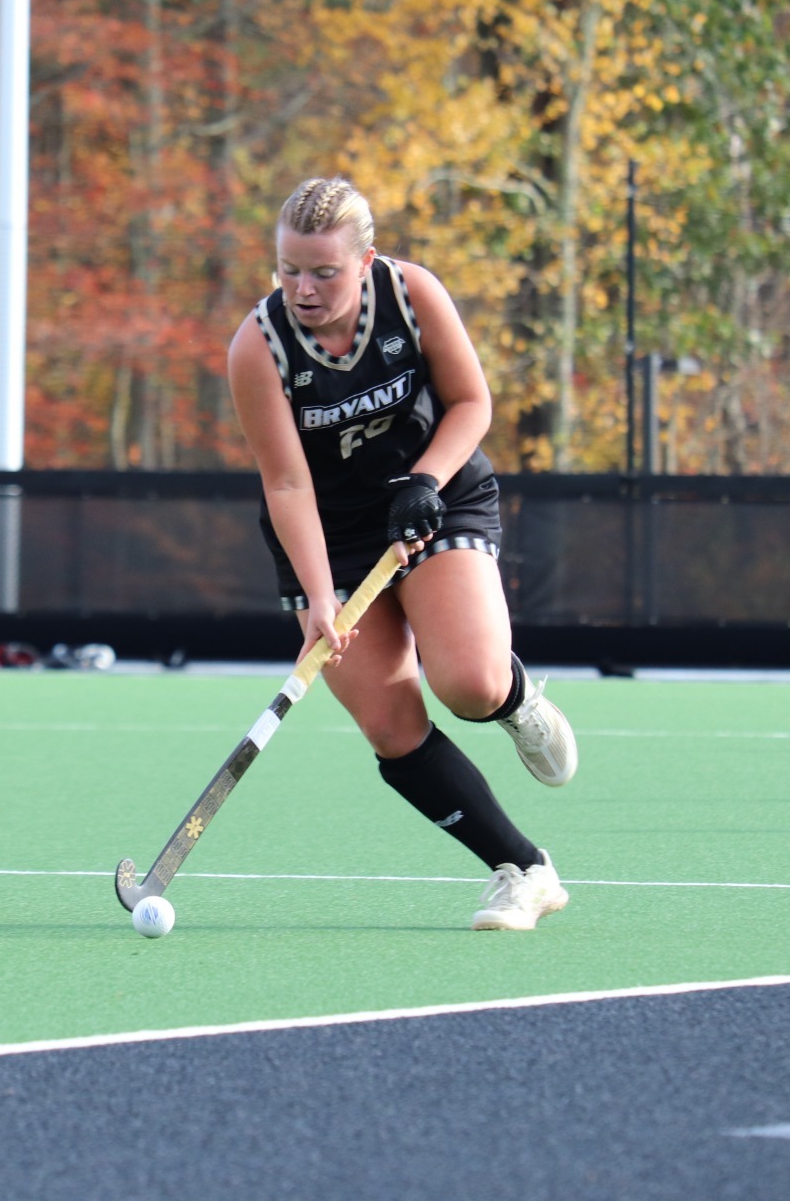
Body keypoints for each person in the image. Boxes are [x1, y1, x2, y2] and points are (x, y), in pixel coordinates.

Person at [226, 177, 579, 931]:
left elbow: (472, 402)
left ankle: (516, 700)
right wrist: (320, 596)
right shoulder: (258, 348)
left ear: (365, 261)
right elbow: (287, 482)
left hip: (434, 496)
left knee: (469, 684)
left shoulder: (412, 293)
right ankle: (524, 870)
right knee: (390, 726)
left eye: (323, 271)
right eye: (288, 268)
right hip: (330, 535)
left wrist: (425, 478)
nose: (303, 288)